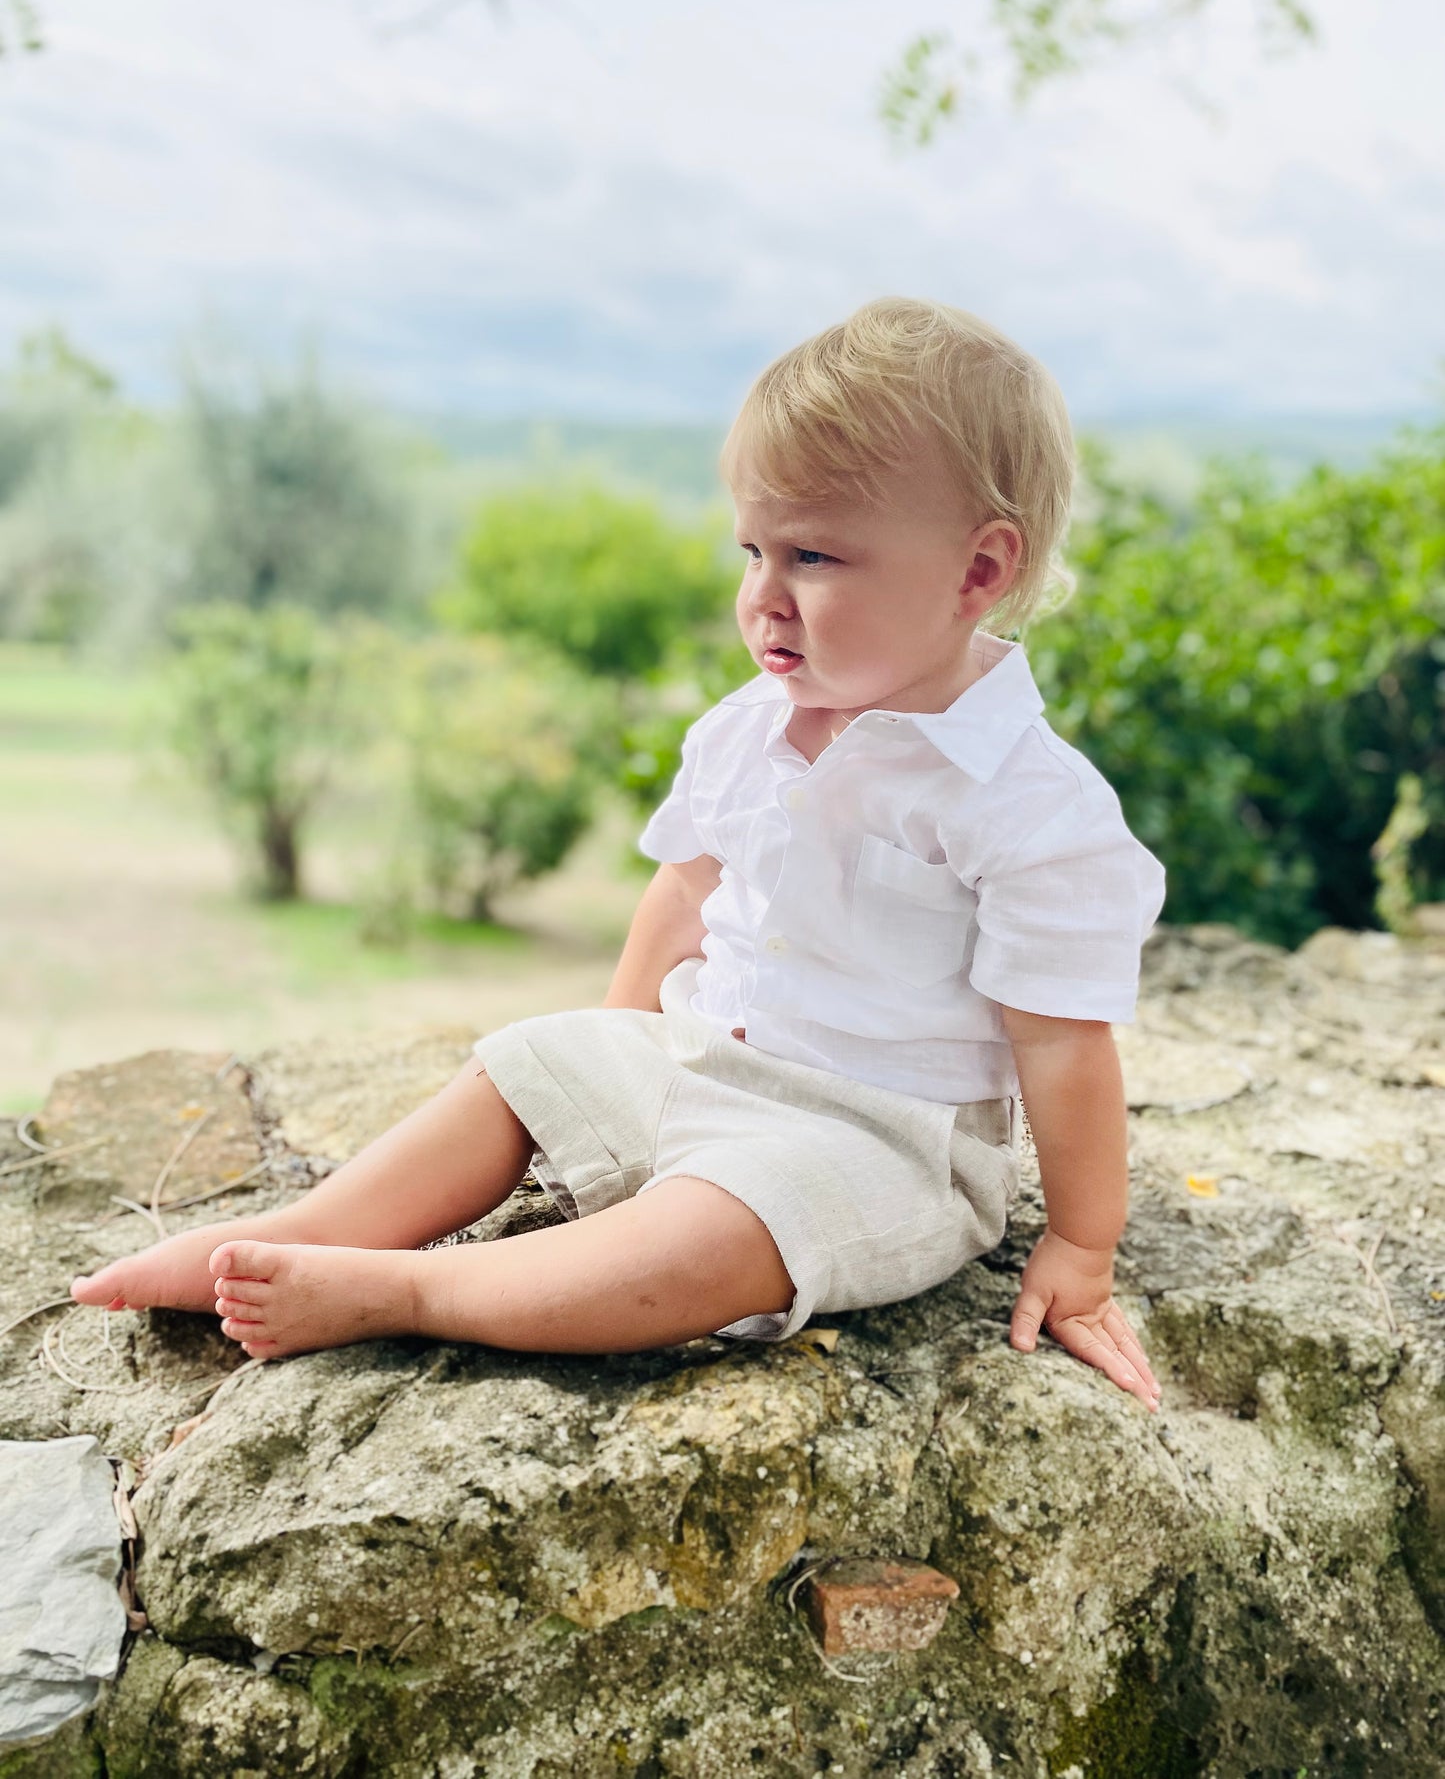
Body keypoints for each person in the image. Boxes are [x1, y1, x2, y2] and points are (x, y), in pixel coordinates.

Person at [70, 297, 1164, 1410]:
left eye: (813, 556)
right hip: (705, 1059)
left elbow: (1061, 1039)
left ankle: (409, 1292)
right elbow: (686, 893)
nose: (762, 598)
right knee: (524, 1059)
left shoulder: (1027, 805)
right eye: (752, 550)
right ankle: (303, 1230)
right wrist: (608, 1064)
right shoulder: (745, 730)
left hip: (877, 1140)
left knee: (714, 1239)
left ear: (977, 572)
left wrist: (1079, 1248)